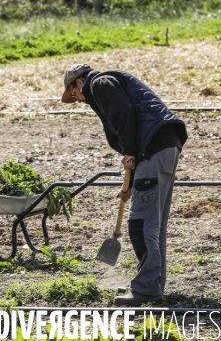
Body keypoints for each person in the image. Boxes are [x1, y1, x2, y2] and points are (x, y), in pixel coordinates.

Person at [61, 63, 188, 306]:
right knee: (154, 224)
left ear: (79, 82)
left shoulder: (99, 83)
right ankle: (153, 286)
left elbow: (124, 114)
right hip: (164, 146)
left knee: (140, 224)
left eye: (74, 94)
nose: (77, 99)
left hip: (151, 147)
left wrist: (130, 152)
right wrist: (131, 182)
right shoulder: (108, 85)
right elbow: (128, 118)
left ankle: (146, 289)